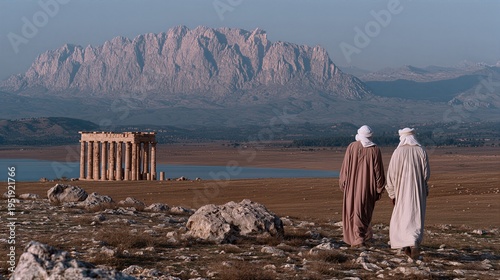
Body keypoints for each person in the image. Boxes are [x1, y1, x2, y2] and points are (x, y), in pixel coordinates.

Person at [386, 128, 430, 259]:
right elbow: (426, 174)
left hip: (401, 190)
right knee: (415, 216)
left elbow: (391, 174)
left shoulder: (397, 152)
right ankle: (413, 242)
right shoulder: (420, 150)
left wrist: (392, 193)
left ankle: (406, 243)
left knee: (402, 216)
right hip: (417, 190)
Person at [339, 125, 386, 247]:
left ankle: (356, 237)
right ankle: (360, 238)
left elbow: (345, 168)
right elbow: (378, 171)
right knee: (363, 210)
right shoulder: (374, 149)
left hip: (351, 186)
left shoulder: (352, 147)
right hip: (367, 187)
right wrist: (379, 187)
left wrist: (343, 182)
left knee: (353, 210)